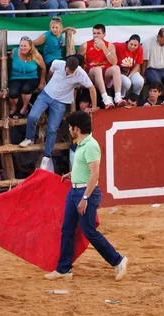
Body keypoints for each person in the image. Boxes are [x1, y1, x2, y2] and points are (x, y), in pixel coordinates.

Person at [44, 111, 128, 281]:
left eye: (70, 127)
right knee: (67, 230)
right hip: (74, 191)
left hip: (84, 193)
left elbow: (94, 175)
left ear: (77, 128)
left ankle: (118, 260)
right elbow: (85, 169)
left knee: (89, 232)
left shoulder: (90, 145)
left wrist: (85, 198)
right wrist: (71, 174)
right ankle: (63, 269)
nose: (69, 129)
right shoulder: (82, 144)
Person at [20, 56, 97, 172]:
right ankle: (29, 138)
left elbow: (91, 88)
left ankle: (47, 156)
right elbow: (50, 72)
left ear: (77, 68)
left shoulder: (81, 73)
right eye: (68, 69)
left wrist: (95, 106)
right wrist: (48, 82)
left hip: (61, 101)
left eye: (72, 71)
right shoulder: (57, 63)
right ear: (65, 65)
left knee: (52, 129)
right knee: (32, 116)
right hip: (46, 95)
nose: (69, 72)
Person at [77, 24, 125, 108]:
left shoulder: (109, 45)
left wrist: (103, 47)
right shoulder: (85, 45)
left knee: (116, 68)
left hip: (105, 74)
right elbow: (77, 61)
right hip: (91, 74)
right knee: (97, 69)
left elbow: (114, 62)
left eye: (98, 33)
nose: (96, 35)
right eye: (94, 33)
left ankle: (118, 97)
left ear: (104, 34)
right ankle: (105, 98)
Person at [8, 36, 46, 119]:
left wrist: (42, 81)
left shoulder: (35, 54)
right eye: (21, 46)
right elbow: (8, 59)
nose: (23, 48)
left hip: (31, 78)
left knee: (26, 89)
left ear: (30, 47)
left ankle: (24, 108)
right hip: (16, 77)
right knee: (13, 93)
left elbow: (43, 68)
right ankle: (13, 107)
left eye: (25, 46)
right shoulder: (14, 52)